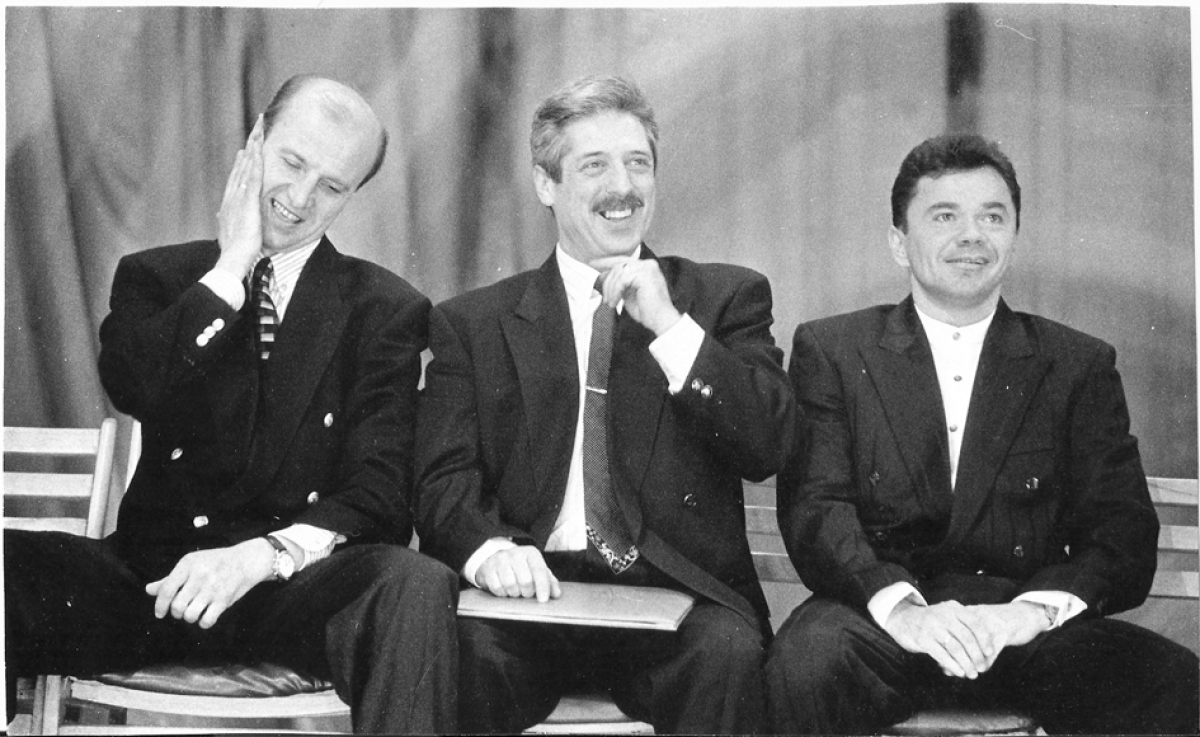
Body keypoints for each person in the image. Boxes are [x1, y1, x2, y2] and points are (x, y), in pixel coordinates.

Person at [5, 75, 458, 734]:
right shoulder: (158, 278)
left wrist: (258, 557)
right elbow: (132, 386)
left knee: (413, 583)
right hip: (151, 585)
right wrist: (229, 271)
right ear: (256, 141)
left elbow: (379, 492)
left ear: (353, 194)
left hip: (290, 593)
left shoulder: (385, 309)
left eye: (331, 186)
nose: (299, 198)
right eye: (292, 162)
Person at [765, 133, 1199, 734]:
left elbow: (1122, 535)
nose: (972, 235)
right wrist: (905, 612)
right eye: (945, 216)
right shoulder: (835, 350)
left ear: (1013, 238)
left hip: (1023, 629)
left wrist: (1027, 615)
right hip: (883, 621)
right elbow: (817, 510)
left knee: (1172, 682)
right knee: (804, 664)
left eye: (992, 217)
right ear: (898, 243)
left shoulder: (1077, 364)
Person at [415, 74, 794, 734]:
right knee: (462, 653)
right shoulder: (473, 324)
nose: (623, 187)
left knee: (728, 654)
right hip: (528, 601)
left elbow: (767, 445)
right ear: (546, 184)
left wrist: (671, 327)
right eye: (594, 165)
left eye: (638, 163)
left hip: (676, 602)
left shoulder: (723, 299)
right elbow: (442, 480)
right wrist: (488, 551)